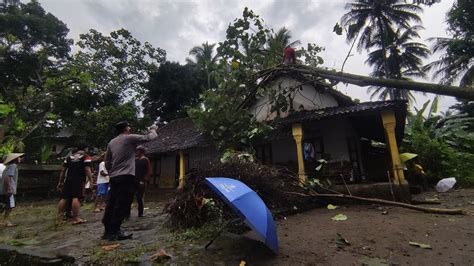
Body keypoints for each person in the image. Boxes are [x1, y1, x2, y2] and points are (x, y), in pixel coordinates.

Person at [102, 121, 157, 241]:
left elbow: (107, 160)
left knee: (111, 203)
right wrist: (153, 129)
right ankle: (115, 231)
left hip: (114, 177)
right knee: (122, 203)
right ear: (126, 129)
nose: (130, 128)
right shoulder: (128, 138)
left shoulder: (112, 142)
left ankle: (107, 230)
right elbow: (150, 137)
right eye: (129, 127)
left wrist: (111, 172)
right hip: (126, 176)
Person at [57, 143, 93, 225]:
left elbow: (63, 170)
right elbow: (87, 169)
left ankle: (59, 218)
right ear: (85, 148)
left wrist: (60, 181)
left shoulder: (69, 157)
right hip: (79, 180)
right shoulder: (86, 157)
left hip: (68, 179)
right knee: (76, 197)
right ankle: (76, 218)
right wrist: (91, 180)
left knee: (64, 197)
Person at [0, 153, 24, 227]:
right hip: (8, 190)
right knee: (9, 207)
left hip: (3, 189)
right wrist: (9, 188)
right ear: (15, 159)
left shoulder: (8, 167)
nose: (20, 159)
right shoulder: (13, 166)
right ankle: (6, 221)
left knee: (3, 206)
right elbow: (8, 178)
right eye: (19, 158)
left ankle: (3, 221)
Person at [134, 146, 151, 217]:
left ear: (141, 152)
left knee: (139, 197)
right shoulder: (135, 160)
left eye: (138, 151)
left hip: (141, 181)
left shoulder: (145, 160)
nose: (136, 152)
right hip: (134, 180)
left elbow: (148, 170)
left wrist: (144, 180)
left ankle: (140, 212)